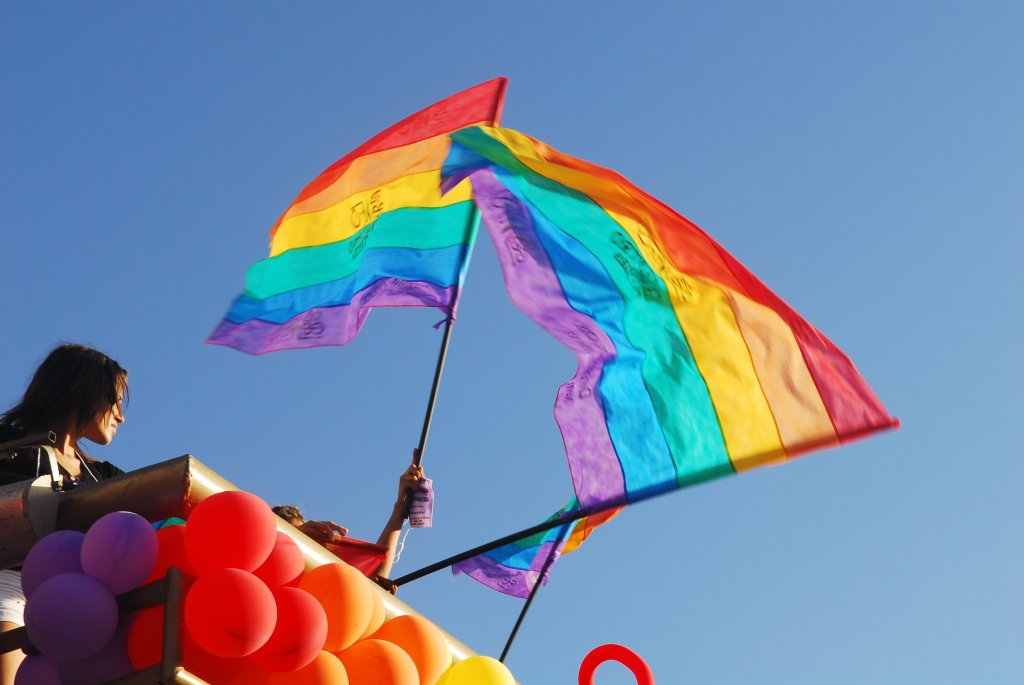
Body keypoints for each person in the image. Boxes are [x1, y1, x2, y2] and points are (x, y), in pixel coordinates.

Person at [0, 344, 128, 685]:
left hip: (79, 605)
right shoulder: (7, 445)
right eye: (115, 401)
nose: (120, 415)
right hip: (10, 583)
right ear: (85, 390)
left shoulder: (106, 476)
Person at [273, 459, 425, 593]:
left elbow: (374, 574)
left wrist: (401, 506)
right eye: (295, 535)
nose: (301, 540)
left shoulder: (322, 580)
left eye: (302, 535)